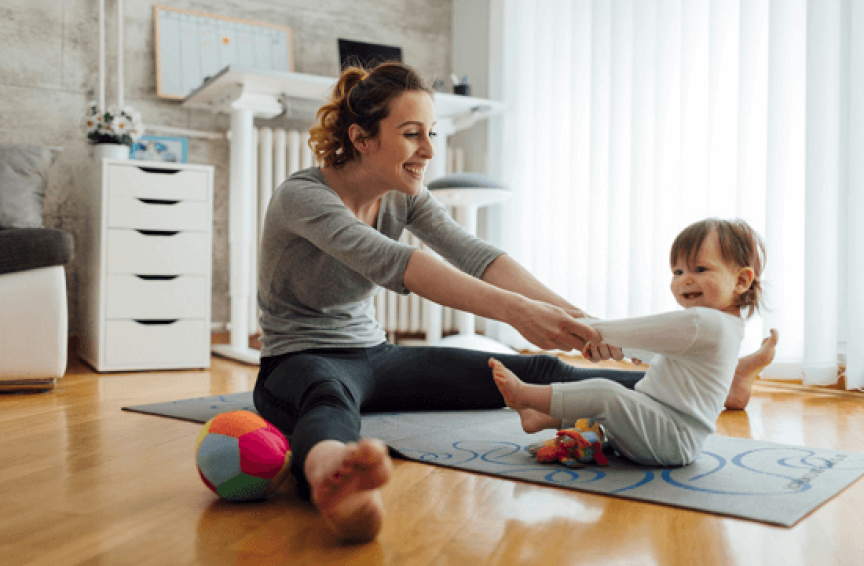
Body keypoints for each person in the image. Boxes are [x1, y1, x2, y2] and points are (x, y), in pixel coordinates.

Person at [252, 62, 777, 543]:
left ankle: (716, 381)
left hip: (375, 354)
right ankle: (337, 483)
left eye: (429, 134)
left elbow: (476, 255)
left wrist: (579, 321)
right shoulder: (303, 197)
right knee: (328, 404)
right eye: (412, 135)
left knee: (542, 371)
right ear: (361, 138)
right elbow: (406, 265)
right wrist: (519, 313)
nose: (428, 151)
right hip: (300, 359)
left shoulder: (403, 194)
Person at [490, 218, 773, 467]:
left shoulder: (705, 323)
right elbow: (658, 348)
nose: (685, 280)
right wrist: (621, 349)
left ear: (741, 281)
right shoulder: (722, 326)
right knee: (616, 403)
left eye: (699, 269)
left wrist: (578, 328)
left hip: (673, 439)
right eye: (677, 272)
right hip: (659, 427)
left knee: (605, 394)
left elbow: (634, 331)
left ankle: (525, 396)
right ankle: (539, 416)